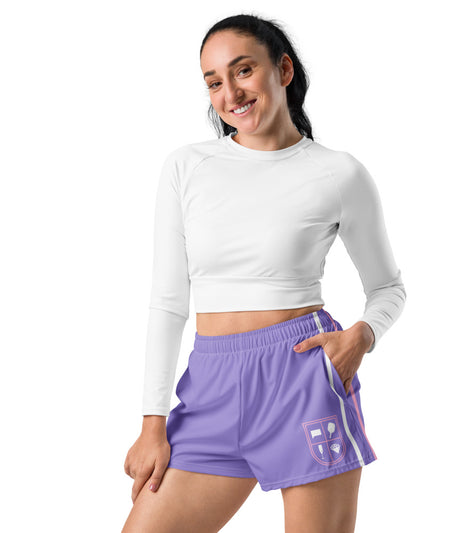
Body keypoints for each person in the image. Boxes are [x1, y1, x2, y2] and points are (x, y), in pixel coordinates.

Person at [122, 13, 406, 533]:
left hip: (302, 378)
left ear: (283, 70)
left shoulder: (337, 172)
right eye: (213, 82)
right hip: (210, 388)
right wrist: (151, 422)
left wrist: (362, 337)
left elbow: (388, 287)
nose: (230, 93)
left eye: (243, 70)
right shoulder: (187, 167)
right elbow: (168, 302)